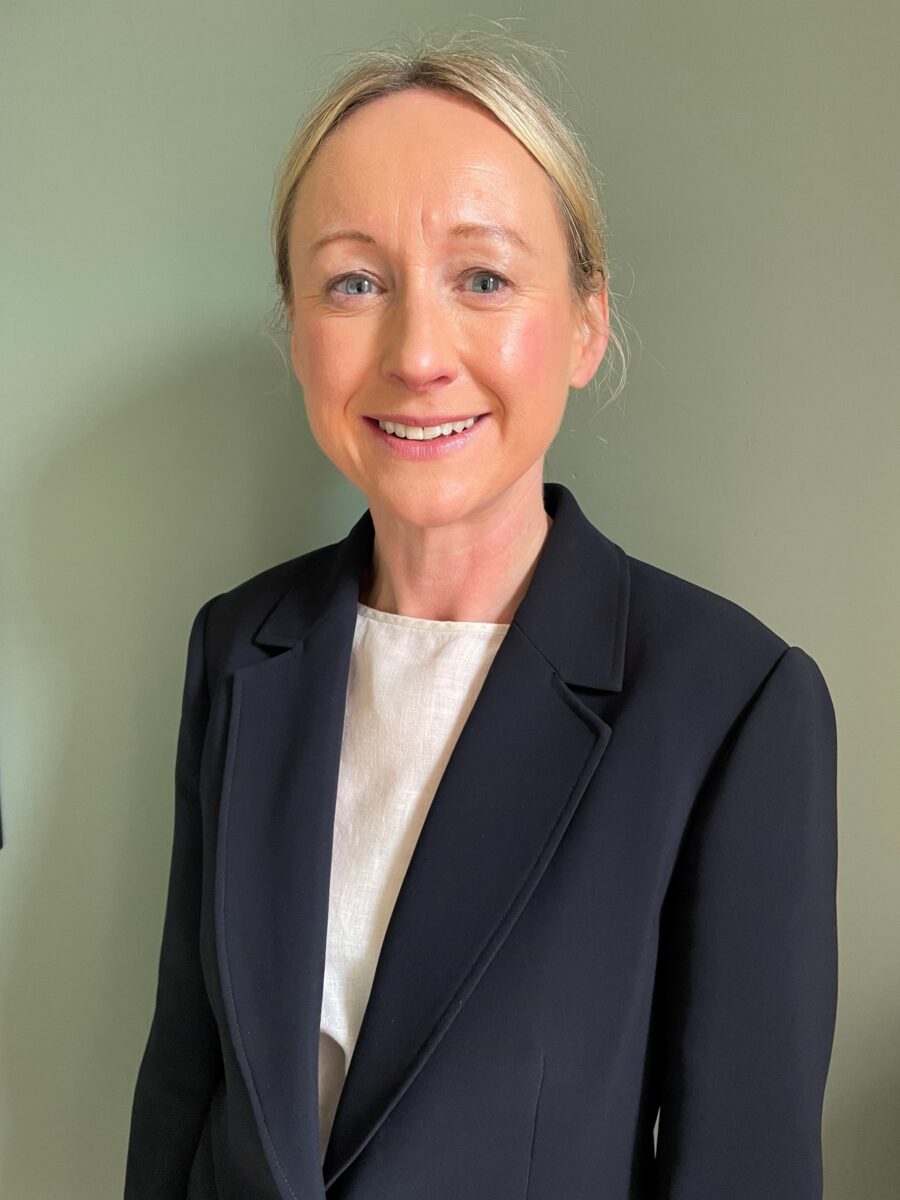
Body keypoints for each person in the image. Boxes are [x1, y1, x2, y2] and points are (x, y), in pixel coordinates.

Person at [124, 36, 838, 1200]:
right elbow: (182, 1087)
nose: (415, 356)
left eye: (484, 279)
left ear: (586, 325)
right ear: (295, 325)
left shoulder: (733, 702)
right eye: (355, 282)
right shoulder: (239, 647)